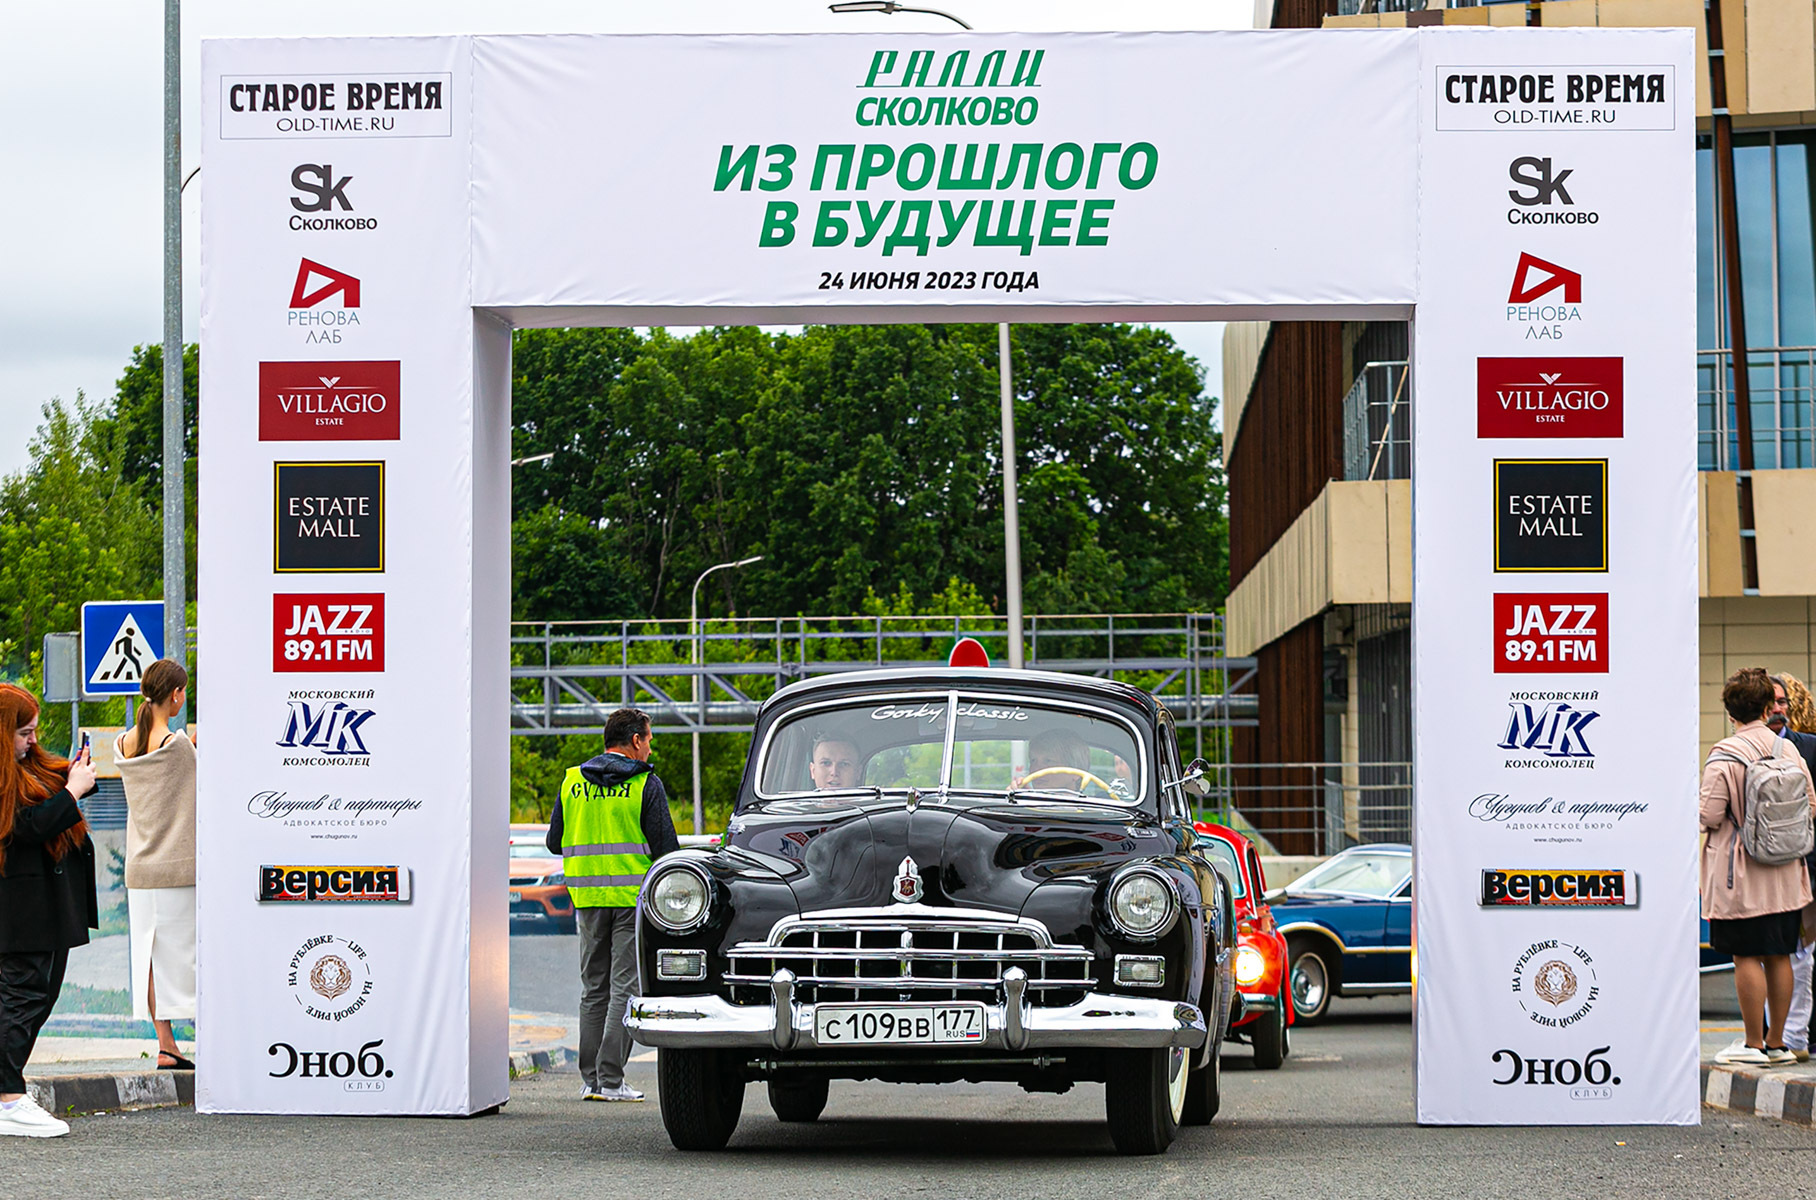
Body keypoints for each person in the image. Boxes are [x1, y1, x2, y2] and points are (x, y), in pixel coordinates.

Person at [545, 707, 679, 1103]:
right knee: (625, 986)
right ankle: (612, 1079)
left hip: (587, 899)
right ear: (635, 740)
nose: (649, 748)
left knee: (593, 989)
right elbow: (666, 848)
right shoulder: (645, 783)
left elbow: (554, 842)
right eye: (648, 740)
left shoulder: (572, 781)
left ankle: (591, 1081)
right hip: (631, 899)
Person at [1703, 667, 1816, 1066]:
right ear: (1769, 708)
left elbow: (1708, 814)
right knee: (1780, 954)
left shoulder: (1724, 754)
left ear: (1730, 711)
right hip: (1787, 873)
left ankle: (1752, 1045)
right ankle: (1779, 1043)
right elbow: (1810, 806)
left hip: (1740, 875)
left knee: (1746, 955)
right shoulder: (1789, 751)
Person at [0, 683, 97, 1137]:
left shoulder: (27, 766)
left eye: (35, 730)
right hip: (22, 908)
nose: (33, 740)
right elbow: (27, 826)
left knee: (38, 998)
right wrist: (71, 793)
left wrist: (76, 778)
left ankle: (8, 1090)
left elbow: (55, 798)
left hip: (50, 905)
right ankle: (8, 1098)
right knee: (21, 998)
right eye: (24, 732)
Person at [112, 660, 196, 1071]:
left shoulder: (123, 744)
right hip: (177, 870)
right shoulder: (176, 746)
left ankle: (166, 1044)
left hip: (140, 870)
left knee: (149, 957)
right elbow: (200, 788)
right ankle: (212, 1040)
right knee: (190, 958)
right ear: (176, 695)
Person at [1768, 672, 1816, 1062]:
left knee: (1803, 953)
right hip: (1760, 871)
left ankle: (1796, 1037)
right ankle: (1775, 1036)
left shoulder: (1810, 748)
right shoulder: (1740, 750)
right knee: (1770, 953)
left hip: (1807, 867)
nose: (1778, 709)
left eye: (1783, 702)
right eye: (1771, 702)